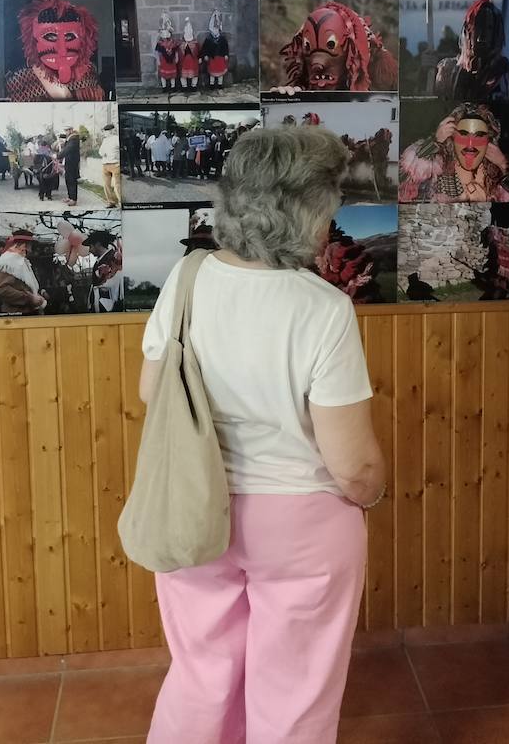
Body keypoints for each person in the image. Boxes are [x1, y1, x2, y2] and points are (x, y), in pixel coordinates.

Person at [141, 126, 387, 742]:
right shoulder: (323, 310)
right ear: (306, 213)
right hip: (302, 527)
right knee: (295, 691)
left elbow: (151, 392)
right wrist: (374, 494)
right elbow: (353, 466)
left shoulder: (187, 280)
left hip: (195, 506)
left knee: (200, 675)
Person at [399, 102, 509, 202]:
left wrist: (504, 165)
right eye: (463, 134)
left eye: (479, 136)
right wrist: (434, 142)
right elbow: (403, 179)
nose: (470, 145)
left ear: (489, 142)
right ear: (452, 137)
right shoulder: (440, 167)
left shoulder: (496, 172)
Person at [7, 0, 106, 101]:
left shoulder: (89, 75)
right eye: (50, 37)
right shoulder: (22, 81)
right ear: (32, 41)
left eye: (69, 36)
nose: (62, 50)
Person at [0, 230, 48, 315]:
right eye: (29, 245)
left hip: (26, 312)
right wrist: (29, 298)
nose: (30, 249)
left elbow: (23, 286)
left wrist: (37, 296)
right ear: (22, 245)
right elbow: (2, 290)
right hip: (17, 314)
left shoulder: (20, 261)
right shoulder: (8, 262)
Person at [98, 123, 122, 208]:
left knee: (117, 186)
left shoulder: (117, 139)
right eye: (105, 131)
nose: (105, 133)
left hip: (115, 164)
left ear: (111, 131)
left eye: (107, 131)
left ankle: (121, 202)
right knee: (106, 185)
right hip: (105, 165)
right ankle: (111, 202)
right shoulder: (105, 140)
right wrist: (103, 153)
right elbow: (100, 152)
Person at [60, 129, 81, 205]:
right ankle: (70, 197)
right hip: (68, 162)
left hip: (72, 163)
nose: (65, 132)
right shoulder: (69, 139)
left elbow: (67, 149)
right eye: (65, 130)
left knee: (72, 181)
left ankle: (73, 199)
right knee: (68, 180)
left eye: (67, 130)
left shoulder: (74, 139)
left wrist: (59, 155)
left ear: (71, 130)